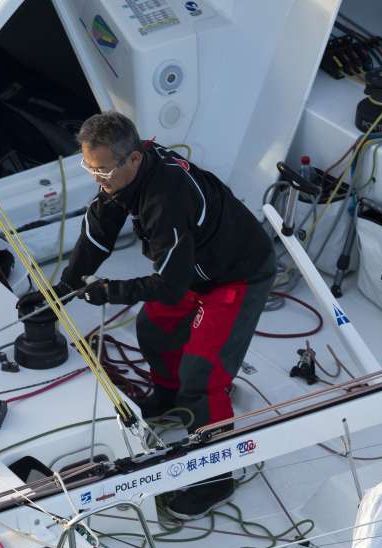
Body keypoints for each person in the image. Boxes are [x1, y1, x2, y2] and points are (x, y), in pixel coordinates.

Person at [57, 111, 274, 520]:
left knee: (203, 373)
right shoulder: (124, 176)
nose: (96, 178)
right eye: (89, 167)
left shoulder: (165, 197)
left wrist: (110, 292)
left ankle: (216, 479)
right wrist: (66, 285)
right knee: (154, 328)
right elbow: (99, 229)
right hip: (194, 272)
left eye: (102, 169)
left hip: (236, 276)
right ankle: (169, 396)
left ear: (134, 159)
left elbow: (171, 286)